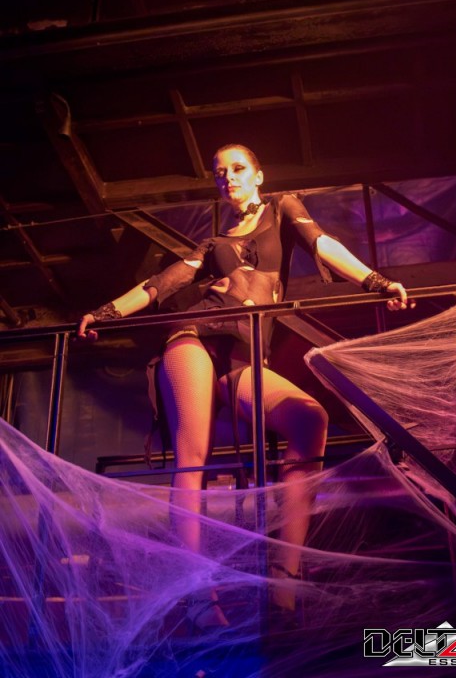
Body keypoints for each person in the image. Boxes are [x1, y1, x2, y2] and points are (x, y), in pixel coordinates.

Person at [76, 144, 412, 629]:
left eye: (237, 169)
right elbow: (160, 285)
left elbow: (323, 244)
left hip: (242, 355)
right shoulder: (212, 244)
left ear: (259, 175)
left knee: (308, 418)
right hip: (193, 337)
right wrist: (103, 313)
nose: (227, 178)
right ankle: (197, 594)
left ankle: (284, 579)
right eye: (220, 173)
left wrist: (376, 281)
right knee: (193, 456)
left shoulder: (283, 208)